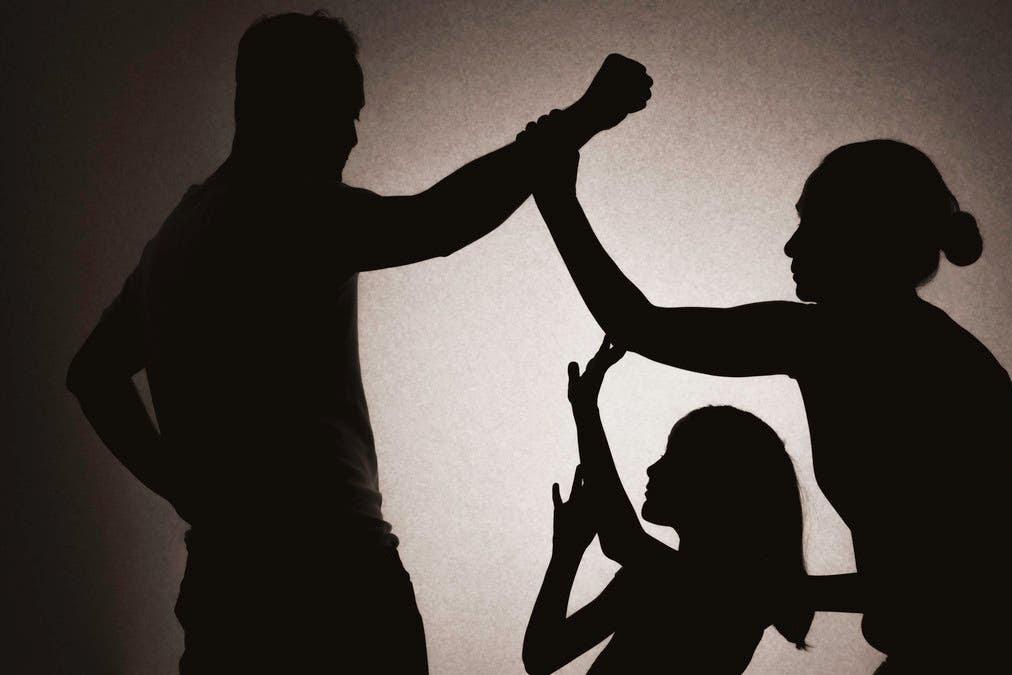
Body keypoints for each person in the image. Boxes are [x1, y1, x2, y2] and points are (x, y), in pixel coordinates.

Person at [64, 10, 651, 673]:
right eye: (338, 110)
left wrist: (182, 486)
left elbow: (92, 373)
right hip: (334, 577)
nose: (350, 134)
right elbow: (437, 221)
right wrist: (581, 119)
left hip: (224, 587)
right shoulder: (285, 211)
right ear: (281, 105)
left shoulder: (176, 238)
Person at [531, 139, 1012, 673]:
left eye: (808, 223)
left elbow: (967, 568)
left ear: (859, 232)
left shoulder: (843, 343)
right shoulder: (899, 349)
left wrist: (556, 198)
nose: (790, 245)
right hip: (984, 636)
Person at [524, 339, 855, 674]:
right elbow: (542, 655)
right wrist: (566, 554)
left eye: (673, 457)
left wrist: (585, 411)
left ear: (713, 485)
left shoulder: (732, 592)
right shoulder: (654, 581)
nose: (652, 469)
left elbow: (620, 539)